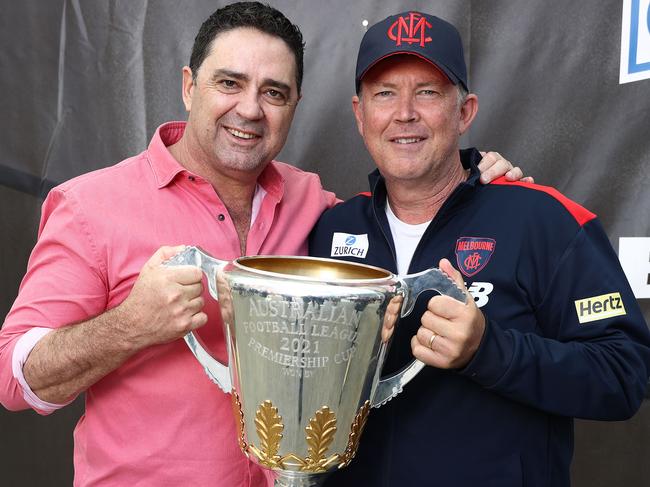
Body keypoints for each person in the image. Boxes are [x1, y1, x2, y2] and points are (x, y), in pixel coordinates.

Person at [0, 3, 526, 486]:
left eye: (274, 92)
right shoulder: (92, 205)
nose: (250, 109)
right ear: (189, 86)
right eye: (229, 83)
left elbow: (408, 205)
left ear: (295, 104)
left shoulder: (314, 204)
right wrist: (129, 326)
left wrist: (476, 178)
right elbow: (15, 378)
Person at [309, 10, 650, 487]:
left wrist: (487, 350)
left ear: (464, 111)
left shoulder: (542, 220)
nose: (405, 112)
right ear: (360, 114)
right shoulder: (329, 231)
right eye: (385, 93)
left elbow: (625, 375)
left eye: (427, 92)